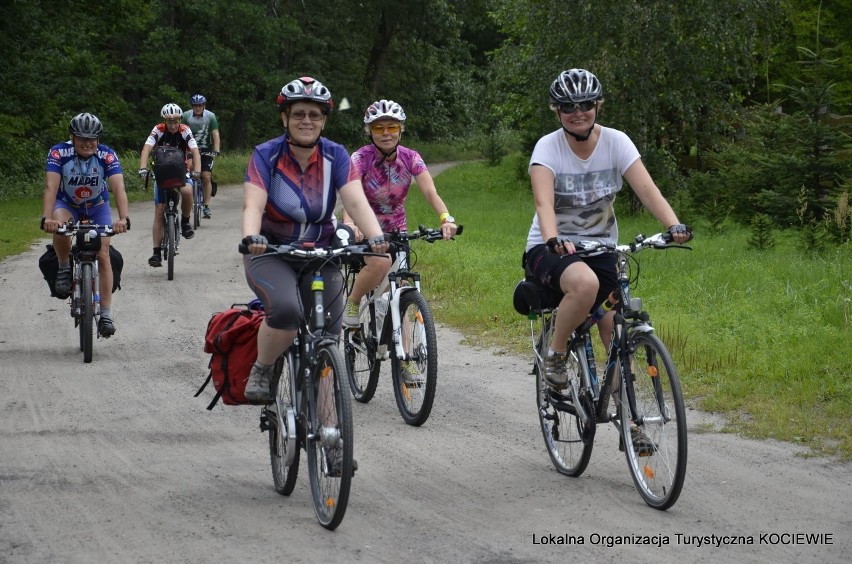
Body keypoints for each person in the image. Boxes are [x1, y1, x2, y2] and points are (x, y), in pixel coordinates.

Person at [523, 68, 693, 394]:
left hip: (602, 248)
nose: (578, 113)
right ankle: (556, 356)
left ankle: (631, 422)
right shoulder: (548, 148)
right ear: (557, 110)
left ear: (597, 105)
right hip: (550, 248)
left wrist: (673, 225)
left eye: (585, 104)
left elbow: (648, 191)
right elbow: (544, 204)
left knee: (615, 332)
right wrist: (552, 239)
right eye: (568, 107)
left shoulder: (616, 142)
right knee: (585, 284)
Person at [241, 76, 388, 416]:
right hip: (273, 252)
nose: (307, 121)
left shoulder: (335, 155)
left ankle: (331, 433)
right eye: (299, 114)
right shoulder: (266, 155)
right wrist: (252, 238)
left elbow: (356, 201)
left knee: (327, 336)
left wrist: (375, 236)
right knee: (287, 311)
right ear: (285, 118)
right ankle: (264, 367)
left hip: (321, 253)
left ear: (324, 120)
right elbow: (253, 205)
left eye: (315, 115)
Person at [341, 99, 458, 331]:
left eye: (392, 127)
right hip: (367, 231)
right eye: (378, 128)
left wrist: (446, 218)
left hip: (398, 232)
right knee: (380, 264)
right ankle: (353, 302)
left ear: (401, 130)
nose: (386, 133)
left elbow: (430, 192)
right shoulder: (361, 158)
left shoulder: (410, 157)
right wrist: (350, 225)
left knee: (399, 295)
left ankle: (404, 363)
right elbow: (351, 195)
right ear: (369, 131)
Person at [41, 112, 130, 336]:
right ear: (72, 136)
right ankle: (63, 267)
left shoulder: (107, 155)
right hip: (67, 203)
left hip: (97, 205)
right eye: (82, 138)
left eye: (93, 138)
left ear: (99, 139)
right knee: (61, 226)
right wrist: (47, 218)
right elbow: (51, 187)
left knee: (103, 253)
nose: (88, 143)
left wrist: (123, 218)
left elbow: (119, 187)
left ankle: (106, 314)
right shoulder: (58, 152)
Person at [138, 103, 202, 267]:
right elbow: (146, 148)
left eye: (175, 121)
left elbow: (195, 151)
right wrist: (143, 168)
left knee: (187, 191)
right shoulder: (158, 130)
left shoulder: (185, 130)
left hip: (181, 171)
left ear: (179, 120)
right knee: (160, 210)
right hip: (162, 172)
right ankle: (156, 252)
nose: (173, 125)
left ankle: (186, 222)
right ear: (165, 121)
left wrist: (197, 171)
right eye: (169, 122)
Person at [182, 94, 220, 219]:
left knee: (206, 176)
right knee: (191, 172)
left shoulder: (210, 116)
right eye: (195, 106)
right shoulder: (186, 116)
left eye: (200, 106)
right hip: (190, 149)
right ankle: (191, 198)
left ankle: (206, 206)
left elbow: (215, 134)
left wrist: (216, 149)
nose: (197, 108)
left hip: (205, 150)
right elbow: (180, 132)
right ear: (192, 106)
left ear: (204, 106)